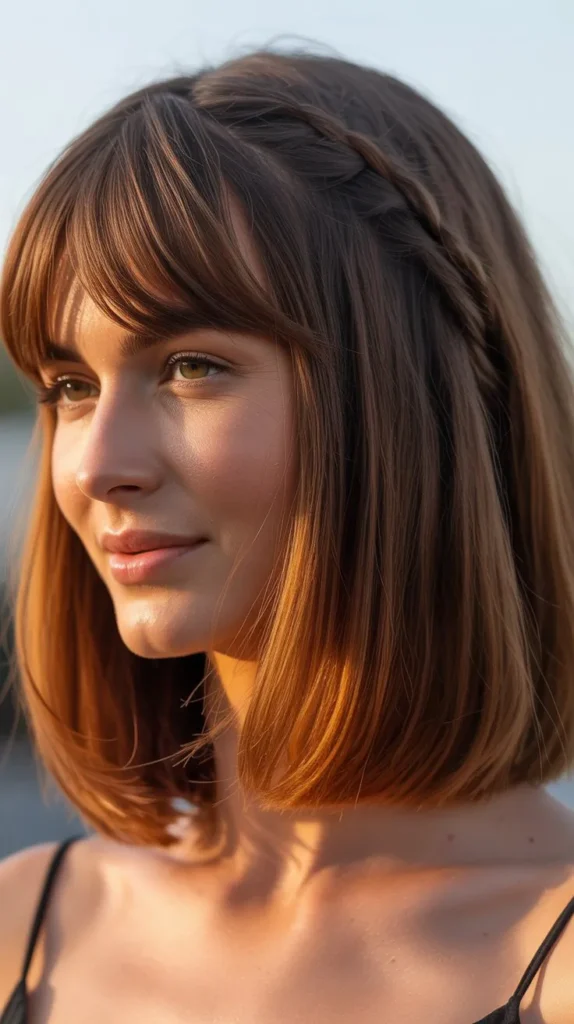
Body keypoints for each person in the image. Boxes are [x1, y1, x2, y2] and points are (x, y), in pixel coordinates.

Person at [1, 46, 574, 1024]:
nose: (97, 465)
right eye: (70, 386)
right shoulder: (22, 930)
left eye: (191, 365)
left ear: (406, 400)